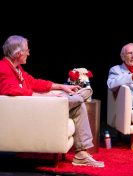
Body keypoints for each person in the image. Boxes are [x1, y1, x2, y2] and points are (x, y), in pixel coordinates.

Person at [0, 35, 104, 167]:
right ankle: (78, 96)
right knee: (77, 99)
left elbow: (34, 82)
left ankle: (81, 154)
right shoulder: (3, 68)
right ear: (18, 53)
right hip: (31, 110)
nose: (29, 52)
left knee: (77, 104)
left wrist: (61, 86)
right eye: (27, 50)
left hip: (36, 105)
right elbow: (10, 90)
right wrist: (44, 98)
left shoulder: (16, 68)